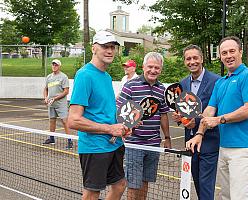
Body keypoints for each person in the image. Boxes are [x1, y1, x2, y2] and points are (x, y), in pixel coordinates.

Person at [186, 36, 248, 200]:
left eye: (232, 51)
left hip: (243, 148)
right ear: (220, 56)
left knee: (240, 197)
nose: (228, 56)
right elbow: (209, 111)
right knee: (226, 196)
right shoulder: (221, 82)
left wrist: (220, 119)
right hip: (223, 148)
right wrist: (199, 134)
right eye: (224, 53)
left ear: (240, 52)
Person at [67, 30, 131, 200]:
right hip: (95, 147)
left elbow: (105, 111)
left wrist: (122, 127)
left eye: (112, 47)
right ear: (94, 48)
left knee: (120, 185)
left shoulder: (106, 76)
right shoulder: (84, 75)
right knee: (92, 193)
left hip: (113, 144)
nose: (110, 51)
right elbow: (73, 120)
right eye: (105, 46)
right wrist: (110, 129)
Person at [117, 52, 171, 200]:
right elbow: (119, 108)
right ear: (143, 67)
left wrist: (167, 137)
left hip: (153, 143)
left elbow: (164, 114)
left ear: (161, 70)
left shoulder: (162, 89)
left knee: (145, 181)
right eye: (150, 67)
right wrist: (129, 121)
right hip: (133, 143)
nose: (153, 70)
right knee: (133, 184)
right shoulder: (131, 85)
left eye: (157, 68)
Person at [171, 45, 220, 200]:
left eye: (195, 58)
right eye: (188, 58)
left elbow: (218, 111)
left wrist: (196, 121)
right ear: (185, 61)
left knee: (206, 185)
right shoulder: (182, 84)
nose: (192, 61)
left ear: (202, 59)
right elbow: (185, 112)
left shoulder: (217, 81)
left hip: (209, 141)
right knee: (198, 182)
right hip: (190, 142)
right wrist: (180, 118)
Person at [43, 59, 73, 149]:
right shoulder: (49, 77)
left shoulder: (63, 77)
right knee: (52, 121)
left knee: (64, 121)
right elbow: (45, 89)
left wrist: (55, 98)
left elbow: (66, 91)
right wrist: (45, 98)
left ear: (59, 66)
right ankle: (51, 139)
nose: (54, 66)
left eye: (56, 65)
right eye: (53, 65)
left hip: (61, 104)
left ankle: (69, 141)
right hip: (51, 104)